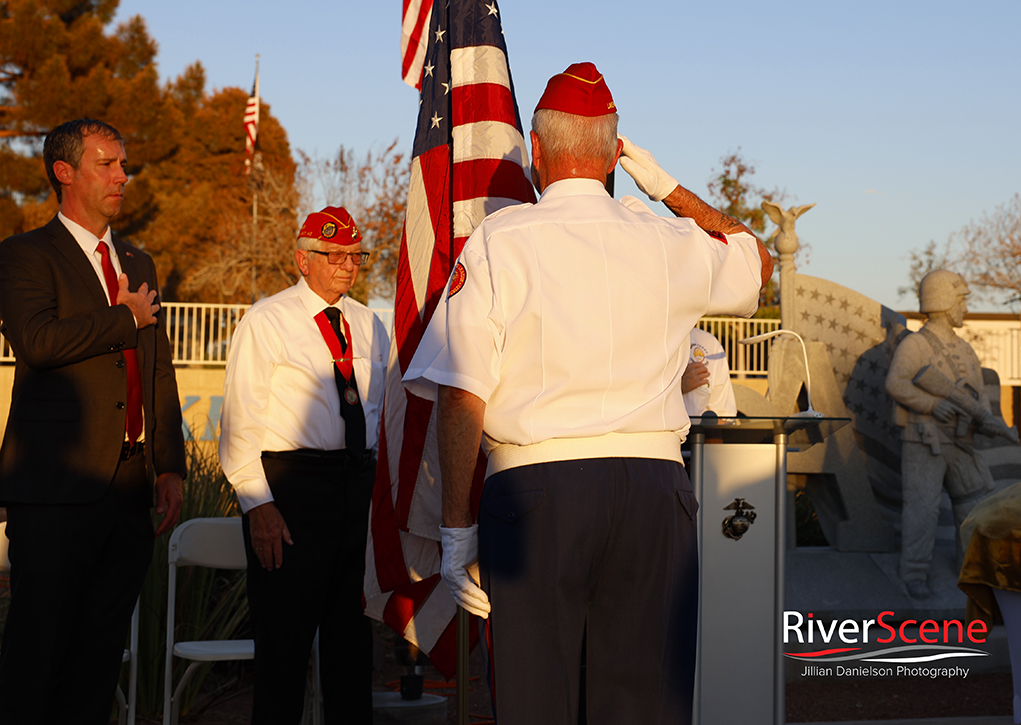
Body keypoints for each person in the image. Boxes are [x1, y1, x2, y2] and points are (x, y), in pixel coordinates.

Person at [403, 63, 772, 725]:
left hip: (537, 493)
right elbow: (754, 257)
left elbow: (463, 394)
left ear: (536, 152)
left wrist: (456, 532)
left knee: (536, 703)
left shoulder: (500, 240)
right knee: (644, 707)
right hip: (653, 494)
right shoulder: (666, 238)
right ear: (612, 154)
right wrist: (667, 188)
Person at [0, 118, 186, 723]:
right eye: (106, 164)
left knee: (100, 659)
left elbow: (157, 369)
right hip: (55, 493)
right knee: (37, 656)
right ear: (64, 172)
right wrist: (123, 318)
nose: (122, 176)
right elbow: (37, 342)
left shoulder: (139, 261)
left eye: (123, 164)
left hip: (130, 492)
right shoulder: (26, 255)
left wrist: (170, 463)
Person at [219, 206, 389, 724]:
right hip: (293, 491)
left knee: (353, 647)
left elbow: (381, 413)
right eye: (333, 255)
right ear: (302, 259)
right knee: (283, 649)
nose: (347, 266)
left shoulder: (370, 324)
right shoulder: (267, 321)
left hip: (357, 486)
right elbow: (240, 425)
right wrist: (258, 505)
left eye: (354, 256)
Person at [886, 269, 1015, 599]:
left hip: (961, 440)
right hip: (924, 440)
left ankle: (972, 573)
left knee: (977, 506)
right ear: (943, 302)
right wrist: (931, 403)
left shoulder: (967, 350)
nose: (965, 308)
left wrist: (989, 423)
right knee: (922, 509)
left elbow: (980, 403)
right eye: (961, 301)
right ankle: (915, 572)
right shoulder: (915, 344)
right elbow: (896, 383)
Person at [682, 328, 737, 417]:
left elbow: (723, 415)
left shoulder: (708, 341)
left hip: (699, 430)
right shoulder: (652, 338)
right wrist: (676, 387)